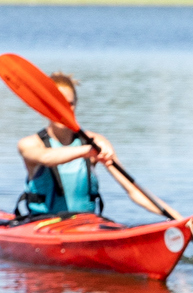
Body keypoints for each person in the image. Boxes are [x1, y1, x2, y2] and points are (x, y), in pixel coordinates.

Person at [14, 71, 176, 220]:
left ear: (76, 104)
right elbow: (47, 158)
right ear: (43, 104)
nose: (63, 110)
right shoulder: (30, 144)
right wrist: (87, 151)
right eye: (57, 103)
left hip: (85, 225)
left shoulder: (96, 141)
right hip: (42, 225)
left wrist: (180, 221)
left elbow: (132, 189)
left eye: (69, 104)